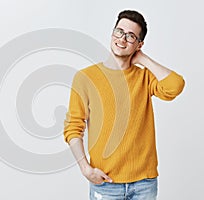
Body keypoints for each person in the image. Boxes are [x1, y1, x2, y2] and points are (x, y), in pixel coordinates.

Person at [63, 10, 185, 200]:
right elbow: (73, 128)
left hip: (145, 183)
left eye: (131, 36)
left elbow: (175, 86)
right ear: (112, 33)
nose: (122, 39)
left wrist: (143, 59)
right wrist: (85, 168)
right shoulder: (85, 78)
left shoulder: (145, 77)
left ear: (139, 44)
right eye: (119, 32)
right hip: (105, 183)